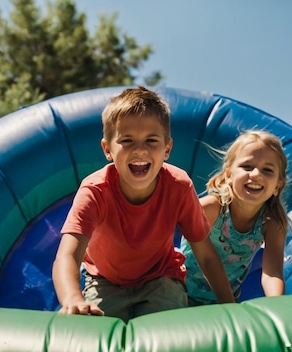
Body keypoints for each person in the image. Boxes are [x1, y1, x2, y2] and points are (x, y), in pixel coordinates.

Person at [52, 86, 234, 322]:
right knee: (93, 329)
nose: (140, 149)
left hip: (160, 278)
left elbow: (206, 254)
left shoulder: (178, 186)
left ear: (167, 148)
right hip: (104, 279)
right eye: (126, 140)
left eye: (151, 140)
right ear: (107, 149)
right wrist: (73, 299)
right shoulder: (95, 190)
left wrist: (230, 307)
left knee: (163, 331)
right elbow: (67, 255)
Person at [181, 130, 289, 305]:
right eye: (247, 167)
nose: (255, 174)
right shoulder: (211, 208)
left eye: (267, 170)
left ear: (277, 186)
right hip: (180, 290)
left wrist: (278, 305)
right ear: (229, 175)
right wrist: (228, 304)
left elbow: (272, 274)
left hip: (220, 301)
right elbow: (206, 260)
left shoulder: (271, 223)